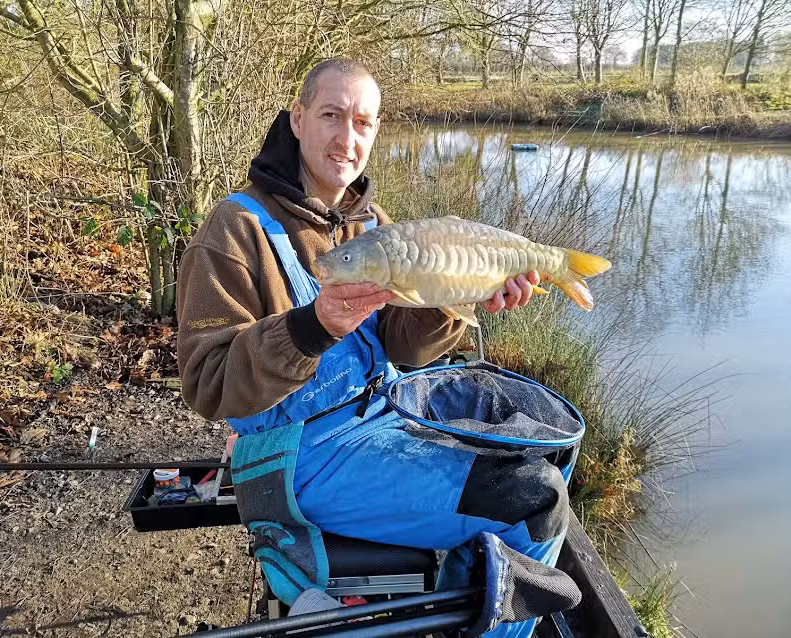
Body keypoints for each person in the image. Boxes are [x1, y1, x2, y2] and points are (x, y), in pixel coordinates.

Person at [176, 58, 573, 637]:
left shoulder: (371, 224)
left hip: (381, 425)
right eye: (332, 115)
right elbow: (208, 385)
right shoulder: (235, 231)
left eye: (362, 122)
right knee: (533, 501)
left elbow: (405, 352)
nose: (346, 138)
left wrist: (454, 296)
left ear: (376, 132)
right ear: (298, 119)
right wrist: (313, 327)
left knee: (540, 460)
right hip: (294, 457)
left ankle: (463, 611)